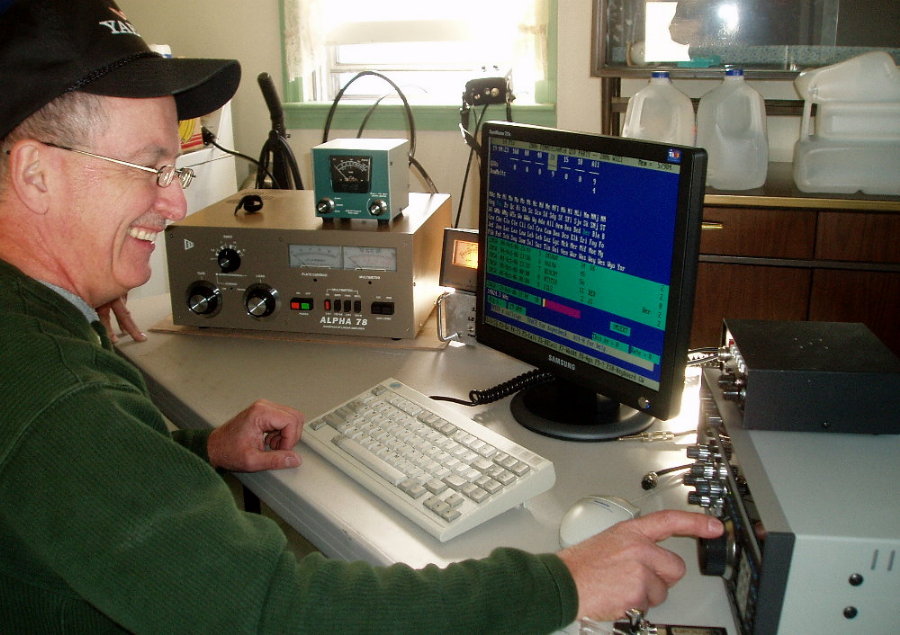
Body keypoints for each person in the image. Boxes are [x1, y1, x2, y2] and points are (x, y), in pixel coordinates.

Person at [0, 1, 723, 632]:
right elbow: (277, 612)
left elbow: (81, 493)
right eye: (149, 169)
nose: (176, 204)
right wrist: (561, 582)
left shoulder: (38, 333)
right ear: (35, 174)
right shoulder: (58, 394)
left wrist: (199, 449)